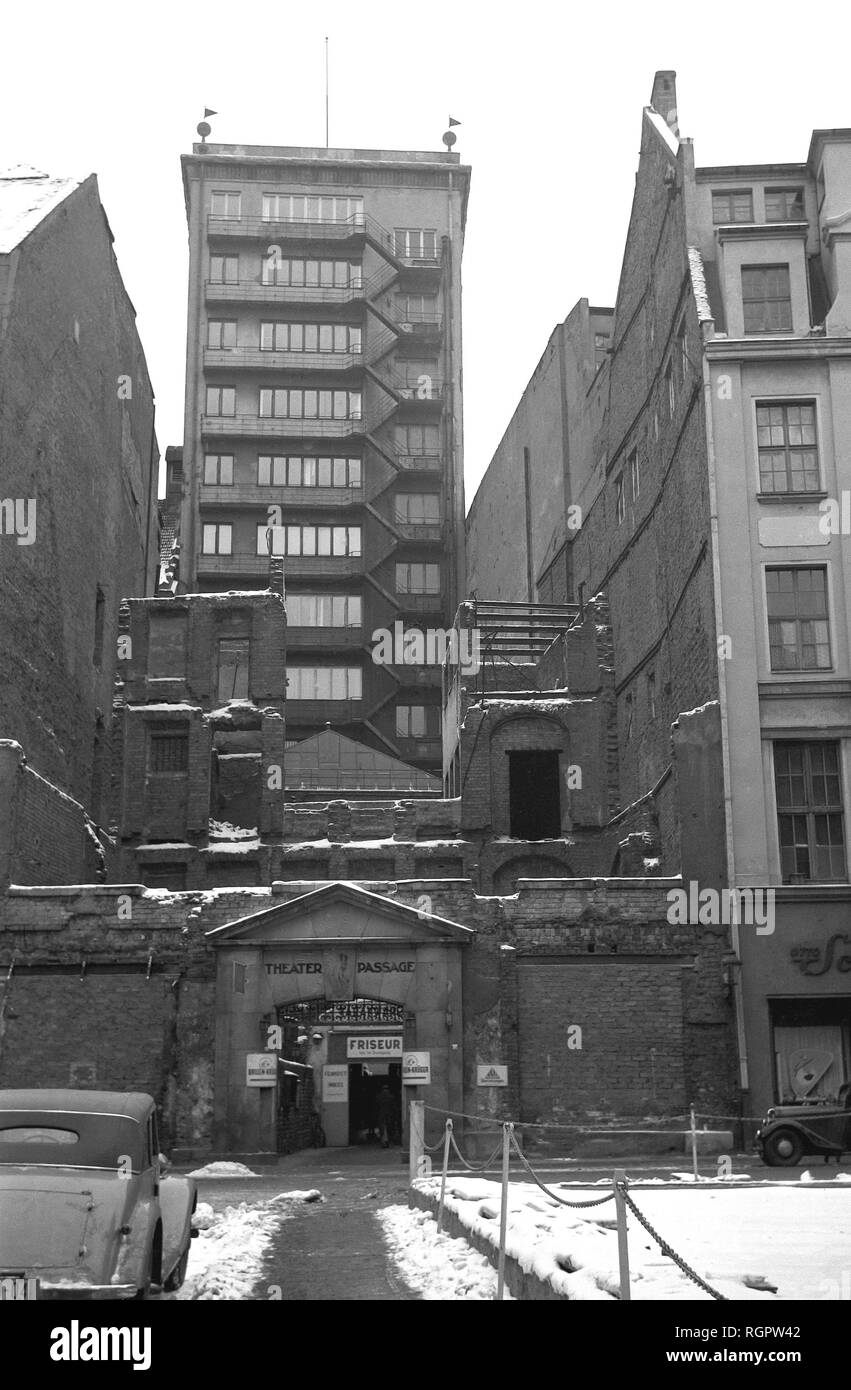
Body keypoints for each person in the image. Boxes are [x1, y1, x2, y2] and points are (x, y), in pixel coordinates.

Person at [375, 1084, 396, 1148]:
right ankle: (388, 1142)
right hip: (389, 1115)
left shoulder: (378, 1097)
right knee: (389, 1128)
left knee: (382, 1129)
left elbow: (376, 1107)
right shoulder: (391, 1097)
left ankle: (384, 1142)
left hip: (381, 1114)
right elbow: (394, 1107)